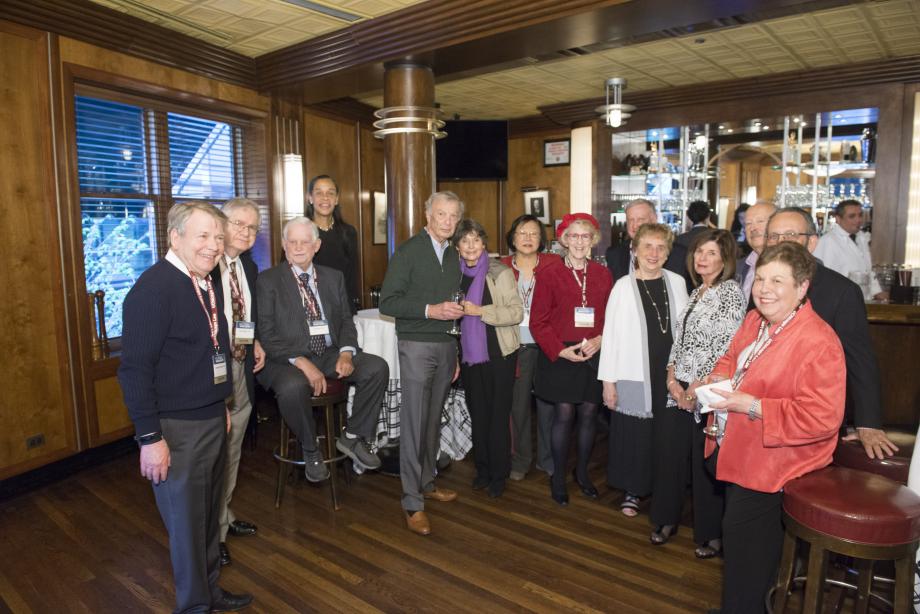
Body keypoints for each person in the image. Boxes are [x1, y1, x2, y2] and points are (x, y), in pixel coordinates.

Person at [118, 202, 253, 613]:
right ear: (174, 237)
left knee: (209, 518)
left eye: (217, 236)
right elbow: (135, 371)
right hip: (176, 430)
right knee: (187, 527)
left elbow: (207, 352)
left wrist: (221, 404)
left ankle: (210, 592)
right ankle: (194, 606)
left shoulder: (204, 283)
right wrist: (150, 438)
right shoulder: (153, 290)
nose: (214, 245)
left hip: (210, 417)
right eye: (203, 236)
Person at [705, 241, 846, 613]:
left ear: (802, 288)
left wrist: (751, 405)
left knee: (747, 554)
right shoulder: (755, 319)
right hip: (739, 452)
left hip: (775, 466)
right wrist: (718, 377)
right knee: (741, 552)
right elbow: (729, 356)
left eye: (777, 281)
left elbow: (821, 418)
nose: (764, 288)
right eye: (761, 278)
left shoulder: (819, 342)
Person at [256, 217, 387, 483]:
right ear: (283, 245)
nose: (298, 247)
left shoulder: (332, 277)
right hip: (284, 359)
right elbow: (267, 336)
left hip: (328, 353)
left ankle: (352, 437)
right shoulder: (268, 280)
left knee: (377, 368)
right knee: (293, 388)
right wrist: (303, 363)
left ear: (317, 245)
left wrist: (347, 352)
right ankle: (310, 448)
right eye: (292, 241)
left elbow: (345, 321)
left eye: (305, 241)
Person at [764, 207, 897, 459]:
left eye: (790, 234)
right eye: (773, 236)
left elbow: (859, 359)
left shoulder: (841, 291)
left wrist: (868, 422)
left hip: (814, 415)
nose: (780, 243)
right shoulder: (762, 287)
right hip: (764, 411)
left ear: (811, 242)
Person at [379, 191, 464, 536]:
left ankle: (428, 482)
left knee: (432, 421)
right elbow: (388, 302)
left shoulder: (457, 254)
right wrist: (431, 309)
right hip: (415, 345)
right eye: (441, 214)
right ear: (427, 216)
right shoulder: (409, 251)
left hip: (446, 346)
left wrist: (455, 350)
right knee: (414, 424)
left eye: (452, 216)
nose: (446, 221)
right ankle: (412, 502)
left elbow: (459, 308)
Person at [598, 223, 689, 521]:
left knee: (667, 434)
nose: (654, 253)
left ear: (668, 253)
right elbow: (610, 336)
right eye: (647, 246)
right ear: (634, 250)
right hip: (634, 371)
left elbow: (685, 329)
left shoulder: (677, 281)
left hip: (671, 372)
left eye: (660, 247)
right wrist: (608, 382)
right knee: (636, 435)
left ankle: (663, 488)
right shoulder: (623, 286)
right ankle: (633, 490)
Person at [664, 229, 745, 558]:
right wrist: (671, 378)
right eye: (699, 252)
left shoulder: (730, 292)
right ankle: (665, 520)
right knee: (672, 459)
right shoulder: (698, 291)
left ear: (725, 259)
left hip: (706, 390)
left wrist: (695, 387)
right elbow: (680, 340)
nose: (703, 258)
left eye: (711, 253)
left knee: (704, 464)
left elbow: (724, 347)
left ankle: (710, 535)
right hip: (680, 387)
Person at [530, 213, 613, 506]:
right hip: (561, 353)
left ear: (593, 240)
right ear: (564, 240)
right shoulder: (549, 274)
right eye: (574, 236)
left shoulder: (603, 274)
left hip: (593, 351)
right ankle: (557, 477)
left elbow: (610, 318)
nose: (579, 242)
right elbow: (538, 322)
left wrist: (601, 339)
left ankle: (582, 474)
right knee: (564, 414)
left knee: (590, 413)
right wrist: (560, 350)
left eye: (585, 236)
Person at [210, 198, 265, 568]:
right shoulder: (205, 266)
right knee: (214, 452)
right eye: (239, 225)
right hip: (213, 370)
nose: (246, 233)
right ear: (221, 225)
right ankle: (212, 536)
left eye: (252, 228)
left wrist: (254, 340)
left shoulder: (247, 264)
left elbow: (245, 312)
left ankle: (224, 517)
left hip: (242, 365)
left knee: (233, 447)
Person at [454, 219, 523, 498]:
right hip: (469, 356)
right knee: (478, 415)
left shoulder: (500, 272)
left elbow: (516, 313)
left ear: (484, 244)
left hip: (499, 354)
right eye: (465, 240)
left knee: (497, 417)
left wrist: (480, 311)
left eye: (476, 240)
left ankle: (499, 474)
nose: (471, 246)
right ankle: (482, 470)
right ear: (457, 246)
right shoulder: (451, 275)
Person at [500, 215, 560, 480]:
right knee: (518, 406)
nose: (527, 238)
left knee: (549, 405)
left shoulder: (554, 265)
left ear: (541, 240)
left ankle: (547, 458)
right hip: (517, 345)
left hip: (548, 344)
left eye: (533, 233)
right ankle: (520, 459)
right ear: (513, 238)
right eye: (522, 233)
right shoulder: (499, 267)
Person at [306, 175, 361, 312]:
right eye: (319, 193)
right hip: (308, 308)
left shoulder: (348, 232)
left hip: (341, 307)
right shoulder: (299, 231)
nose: (325, 198)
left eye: (330, 193)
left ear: (336, 199)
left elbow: (351, 277)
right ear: (310, 198)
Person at [605, 198, 689, 286]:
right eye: (631, 220)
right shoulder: (614, 254)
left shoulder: (680, 254)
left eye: (640, 219)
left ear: (654, 220)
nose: (635, 225)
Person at [813, 199, 883, 298]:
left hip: (862, 298)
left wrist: (877, 292)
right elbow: (821, 276)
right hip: (839, 298)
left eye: (860, 215)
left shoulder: (861, 237)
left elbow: (867, 270)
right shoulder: (827, 241)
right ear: (838, 219)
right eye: (852, 216)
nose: (858, 220)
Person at [735, 200, 775, 302]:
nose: (753, 228)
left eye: (760, 221)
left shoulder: (798, 265)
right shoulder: (737, 267)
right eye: (748, 224)